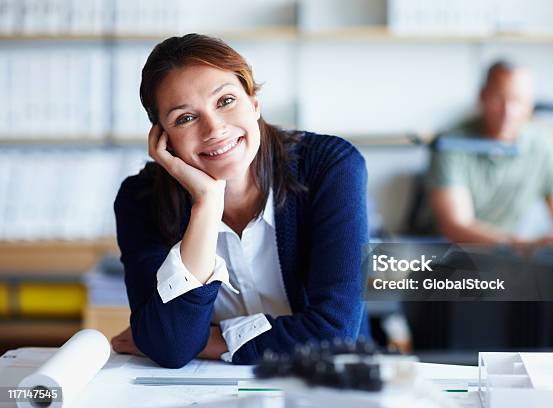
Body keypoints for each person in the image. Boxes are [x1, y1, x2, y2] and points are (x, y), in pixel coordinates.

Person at [110, 33, 369, 367]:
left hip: (328, 383)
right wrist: (207, 205)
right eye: (185, 118)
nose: (214, 128)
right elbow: (171, 349)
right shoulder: (141, 200)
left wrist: (204, 340)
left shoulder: (330, 166)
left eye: (225, 101)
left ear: (254, 103)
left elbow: (334, 334)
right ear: (165, 139)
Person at [428, 60, 553, 244]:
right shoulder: (451, 144)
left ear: (530, 104)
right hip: (454, 257)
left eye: (518, 101)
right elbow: (456, 227)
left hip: (510, 257)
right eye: (498, 99)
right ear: (482, 97)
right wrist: (526, 247)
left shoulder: (544, 144)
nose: (508, 112)